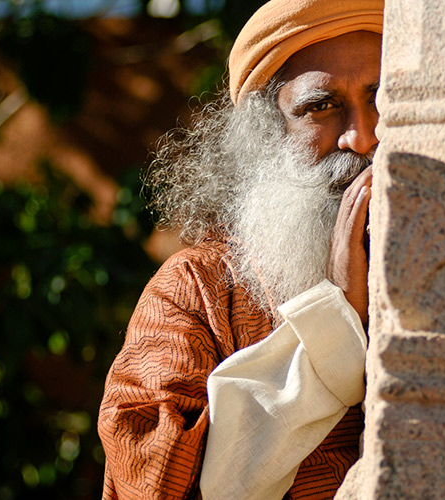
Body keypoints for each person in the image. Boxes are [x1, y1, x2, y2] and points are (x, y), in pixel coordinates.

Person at [97, 1, 384, 499]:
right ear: (269, 134)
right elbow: (154, 485)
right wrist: (333, 323)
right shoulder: (194, 291)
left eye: (384, 98)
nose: (362, 137)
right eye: (321, 106)